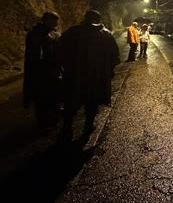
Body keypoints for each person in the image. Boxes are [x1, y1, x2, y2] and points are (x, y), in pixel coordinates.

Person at [59, 10, 120, 141]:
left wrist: (65, 68)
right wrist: (108, 71)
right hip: (97, 77)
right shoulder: (106, 34)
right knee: (92, 103)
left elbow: (60, 51)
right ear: (99, 19)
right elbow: (115, 57)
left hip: (74, 76)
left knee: (71, 103)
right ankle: (88, 125)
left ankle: (67, 128)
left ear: (85, 18)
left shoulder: (73, 32)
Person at [23, 12, 62, 132]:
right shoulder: (36, 34)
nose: (55, 23)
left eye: (56, 21)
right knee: (42, 99)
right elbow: (36, 56)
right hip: (41, 73)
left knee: (53, 96)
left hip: (53, 71)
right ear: (46, 20)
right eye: (53, 20)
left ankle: (51, 119)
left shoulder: (54, 34)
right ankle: (43, 123)